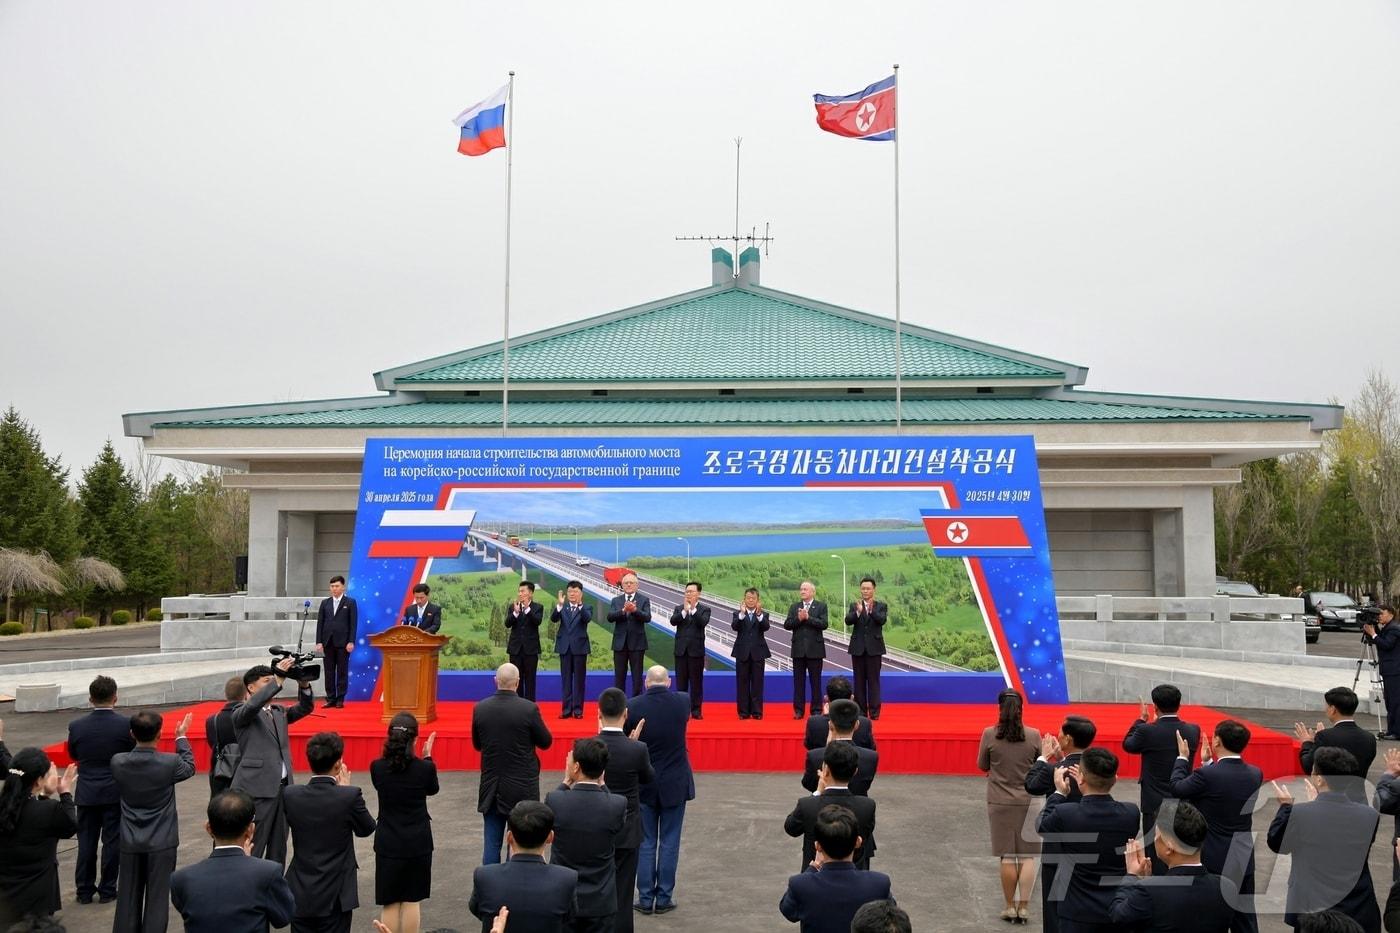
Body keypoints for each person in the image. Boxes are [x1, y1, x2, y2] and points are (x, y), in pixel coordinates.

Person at [1269, 747, 1382, 933]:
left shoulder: (1299, 814)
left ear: (1319, 779)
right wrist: (1318, 804)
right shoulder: (1369, 815)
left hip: (1313, 910)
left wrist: (1286, 808)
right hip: (1358, 906)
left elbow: (1277, 844)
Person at [1170, 719, 1264, 933]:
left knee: (1208, 915)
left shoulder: (1207, 776)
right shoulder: (1255, 774)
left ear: (1217, 741)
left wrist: (1182, 758)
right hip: (1242, 854)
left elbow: (1177, 788)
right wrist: (1208, 763)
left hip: (1213, 856)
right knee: (1244, 917)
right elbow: (1223, 786)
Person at [1035, 746, 1141, 933]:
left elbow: (1042, 826)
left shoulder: (1065, 814)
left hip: (1077, 911)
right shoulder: (1131, 813)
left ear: (1081, 778)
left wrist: (1059, 794)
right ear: (1115, 779)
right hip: (1115, 907)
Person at [109, 709, 196, 933]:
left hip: (129, 838)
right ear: (159, 734)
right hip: (162, 839)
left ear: (132, 733)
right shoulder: (169, 762)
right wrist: (181, 737)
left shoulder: (118, 762)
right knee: (157, 899)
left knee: (127, 898)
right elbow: (189, 767)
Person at [283, 732, 377, 933]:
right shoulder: (349, 796)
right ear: (338, 763)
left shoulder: (291, 794)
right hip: (336, 895)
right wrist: (344, 790)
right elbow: (367, 828)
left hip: (301, 890)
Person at [170, 790, 296, 933]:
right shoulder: (268, 873)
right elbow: (283, 918)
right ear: (250, 830)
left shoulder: (181, 879)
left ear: (208, 828)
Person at [231, 657, 315, 865]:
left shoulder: (278, 712)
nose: (273, 684)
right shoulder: (242, 713)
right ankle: (250, 881)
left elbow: (305, 708)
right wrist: (277, 679)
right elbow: (253, 706)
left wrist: (304, 684)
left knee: (279, 846)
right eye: (266, 681)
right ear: (250, 687)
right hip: (257, 790)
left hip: (283, 789)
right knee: (255, 843)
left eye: (273, 680)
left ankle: (274, 882)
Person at [626, 665, 696, 915]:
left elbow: (629, 737)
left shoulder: (633, 706)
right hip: (674, 783)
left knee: (645, 842)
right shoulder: (682, 702)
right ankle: (664, 897)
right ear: (668, 682)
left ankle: (645, 898)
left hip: (645, 783)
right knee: (670, 842)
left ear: (646, 682)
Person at [1111, 800, 1235, 932]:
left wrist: (1131, 876)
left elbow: (1118, 916)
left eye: (1156, 835)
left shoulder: (1149, 891)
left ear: (1169, 848)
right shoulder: (1227, 888)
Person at [473, 662, 553, 865]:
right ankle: (513, 881)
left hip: (492, 786)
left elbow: (477, 744)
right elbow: (545, 741)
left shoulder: (481, 708)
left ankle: (490, 883)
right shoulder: (528, 709)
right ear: (517, 683)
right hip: (521, 788)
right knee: (518, 843)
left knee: (491, 844)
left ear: (495, 681)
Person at [545, 739, 627, 933]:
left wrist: (566, 782)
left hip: (563, 897)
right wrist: (602, 784)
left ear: (576, 767)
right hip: (601, 901)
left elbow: (544, 816)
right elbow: (617, 820)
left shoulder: (556, 800)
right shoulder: (617, 804)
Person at [65, 674, 134, 905]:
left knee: (86, 842)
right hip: (114, 790)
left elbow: (73, 754)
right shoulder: (125, 725)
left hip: (87, 791)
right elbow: (130, 753)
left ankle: (84, 890)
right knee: (112, 842)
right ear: (115, 698)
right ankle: (107, 889)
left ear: (90, 699)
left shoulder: (77, 726)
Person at [1024, 714, 1093, 933]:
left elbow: (1031, 785)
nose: (1058, 735)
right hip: (1090, 845)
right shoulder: (1096, 768)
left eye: (1061, 733)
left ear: (1068, 739)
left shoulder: (1055, 770)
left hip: (1058, 848)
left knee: (1054, 909)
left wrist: (1043, 758)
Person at [370, 712, 439, 933]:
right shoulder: (425, 769)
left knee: (390, 900)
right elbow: (432, 789)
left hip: (388, 840)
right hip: (417, 840)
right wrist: (428, 758)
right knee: (411, 899)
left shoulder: (377, 767)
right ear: (415, 739)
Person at [976, 688, 1040, 924]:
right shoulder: (1034, 735)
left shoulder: (989, 734)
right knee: (1027, 856)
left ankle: (1009, 906)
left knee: (1007, 855)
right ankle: (1024, 907)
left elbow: (982, 764)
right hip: (1028, 801)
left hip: (999, 801)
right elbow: (1039, 764)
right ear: (1022, 709)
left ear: (999, 708)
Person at [1123, 683, 1201, 872]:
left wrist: (1141, 720)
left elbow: (1128, 744)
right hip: (1182, 800)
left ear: (1155, 707)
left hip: (1154, 801)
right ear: (1179, 705)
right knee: (1182, 847)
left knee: (1155, 850)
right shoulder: (1193, 730)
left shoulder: (1147, 731)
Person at [469, 800, 579, 933]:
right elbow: (569, 916)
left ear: (509, 837)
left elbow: (477, 909)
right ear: (550, 837)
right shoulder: (566, 879)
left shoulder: (484, 877)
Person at [779, 806, 893, 933]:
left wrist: (814, 867)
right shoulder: (878, 884)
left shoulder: (801, 885)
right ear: (858, 842)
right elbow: (892, 917)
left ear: (818, 846)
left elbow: (788, 911)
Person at [596, 687, 653, 933]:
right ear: (625, 713)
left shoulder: (589, 746)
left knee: (595, 884)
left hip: (595, 827)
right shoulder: (636, 749)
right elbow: (648, 777)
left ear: (599, 713)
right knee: (624, 889)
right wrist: (633, 745)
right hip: (627, 829)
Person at [0, 748, 77, 927]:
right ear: (39, 781)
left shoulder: (6, 809)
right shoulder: (48, 810)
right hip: (36, 901)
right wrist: (64, 793)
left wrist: (44, 796)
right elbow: (69, 826)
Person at [785, 742, 877, 872]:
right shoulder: (867, 806)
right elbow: (866, 834)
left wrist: (817, 792)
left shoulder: (807, 805)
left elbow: (791, 828)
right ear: (855, 771)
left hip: (816, 876)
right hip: (855, 876)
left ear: (826, 770)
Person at [1296, 687, 1377, 802]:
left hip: (1331, 802)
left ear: (1333, 709)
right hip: (1359, 801)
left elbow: (1308, 766)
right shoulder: (1369, 738)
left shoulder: (1325, 737)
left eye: (1327, 706)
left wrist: (1307, 743)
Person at [803, 699, 879, 796]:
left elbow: (808, 783)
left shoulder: (814, 756)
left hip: (823, 803)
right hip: (860, 805)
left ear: (830, 725)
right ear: (857, 725)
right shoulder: (871, 757)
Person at [844, 577, 887, 719]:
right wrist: (858, 612)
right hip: (858, 649)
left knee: (874, 682)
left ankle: (874, 712)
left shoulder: (881, 606)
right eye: (863, 588)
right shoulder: (855, 605)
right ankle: (861, 712)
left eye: (868, 588)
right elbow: (848, 620)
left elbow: (881, 620)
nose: (865, 591)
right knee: (859, 682)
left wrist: (869, 611)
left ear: (874, 589)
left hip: (874, 649)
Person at [785, 581, 829, 719]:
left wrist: (808, 618)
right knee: (798, 682)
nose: (802, 591)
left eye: (805, 589)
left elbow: (824, 624)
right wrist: (799, 618)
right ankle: (799, 710)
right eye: (801, 589)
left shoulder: (821, 606)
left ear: (812, 592)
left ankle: (816, 710)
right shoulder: (794, 607)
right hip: (798, 650)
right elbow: (787, 624)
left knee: (815, 682)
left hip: (815, 650)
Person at [314, 574, 357, 709]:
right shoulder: (325, 603)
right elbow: (320, 623)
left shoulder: (350, 602)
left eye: (337, 586)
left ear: (343, 587)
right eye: (332, 586)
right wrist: (319, 642)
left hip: (343, 643)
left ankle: (340, 699)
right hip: (327, 642)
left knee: (342, 671)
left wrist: (351, 641)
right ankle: (330, 698)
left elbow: (353, 624)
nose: (334, 588)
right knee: (329, 671)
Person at [552, 581, 593, 719]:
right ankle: (566, 710)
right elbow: (554, 619)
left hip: (580, 648)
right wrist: (559, 605)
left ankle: (578, 710)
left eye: (575, 591)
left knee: (579, 680)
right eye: (570, 591)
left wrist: (580, 605)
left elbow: (587, 619)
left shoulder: (587, 607)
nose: (572, 594)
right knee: (566, 680)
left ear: (581, 594)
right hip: (564, 647)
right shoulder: (562, 607)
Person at [670, 581, 710, 719]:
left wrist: (693, 609)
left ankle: (696, 710)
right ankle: (682, 710)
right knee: (681, 683)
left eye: (692, 592)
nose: (689, 594)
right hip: (681, 651)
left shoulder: (704, 609)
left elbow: (702, 622)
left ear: (699, 594)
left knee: (696, 683)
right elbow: (673, 621)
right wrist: (684, 611)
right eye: (687, 591)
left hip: (696, 651)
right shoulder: (679, 608)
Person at [731, 587, 772, 719]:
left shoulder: (763, 615)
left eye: (753, 598)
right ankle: (743, 712)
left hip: (758, 653)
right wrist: (742, 614)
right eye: (748, 598)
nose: (750, 600)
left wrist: (759, 615)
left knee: (757, 683)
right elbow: (734, 627)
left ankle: (757, 712)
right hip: (742, 652)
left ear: (757, 600)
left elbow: (766, 627)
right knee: (742, 683)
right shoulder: (737, 614)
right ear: (744, 599)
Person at [608, 572, 651, 696]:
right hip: (619, 644)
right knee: (619, 676)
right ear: (622, 585)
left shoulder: (644, 600)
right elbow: (610, 617)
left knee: (637, 677)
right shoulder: (616, 600)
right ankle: (619, 703)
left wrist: (635, 610)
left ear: (637, 585)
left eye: (631, 583)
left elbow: (647, 617)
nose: (628, 585)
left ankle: (636, 703)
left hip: (637, 644)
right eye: (626, 583)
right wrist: (623, 610)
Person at [804, 676, 876, 751]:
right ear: (852, 698)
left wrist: (828, 716)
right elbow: (871, 748)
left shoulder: (814, 723)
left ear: (826, 698)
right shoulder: (864, 723)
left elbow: (809, 746)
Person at [204, 676, 247, 796]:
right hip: (245, 771)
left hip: (220, 772)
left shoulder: (212, 720)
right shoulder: (251, 717)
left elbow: (212, 743)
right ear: (245, 694)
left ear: (226, 694)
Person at [1364, 606, 1400, 739]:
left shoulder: (1394, 628)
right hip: (1390, 670)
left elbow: (1386, 644)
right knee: (1390, 701)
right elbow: (1380, 639)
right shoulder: (1387, 627)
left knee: (1395, 702)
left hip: (1395, 671)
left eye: (1381, 613)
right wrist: (1372, 630)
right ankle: (1391, 731)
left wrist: (1373, 633)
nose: (1379, 616)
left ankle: (1396, 732)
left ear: (1391, 614)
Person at [506, 580, 544, 701]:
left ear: (531, 593)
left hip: (531, 650)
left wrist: (527, 609)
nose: (520, 594)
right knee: (516, 679)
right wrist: (515, 613)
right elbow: (507, 624)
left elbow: (537, 621)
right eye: (519, 591)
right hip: (515, 650)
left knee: (530, 679)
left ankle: (530, 706)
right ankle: (517, 705)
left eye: (523, 591)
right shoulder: (513, 607)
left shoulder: (538, 607)